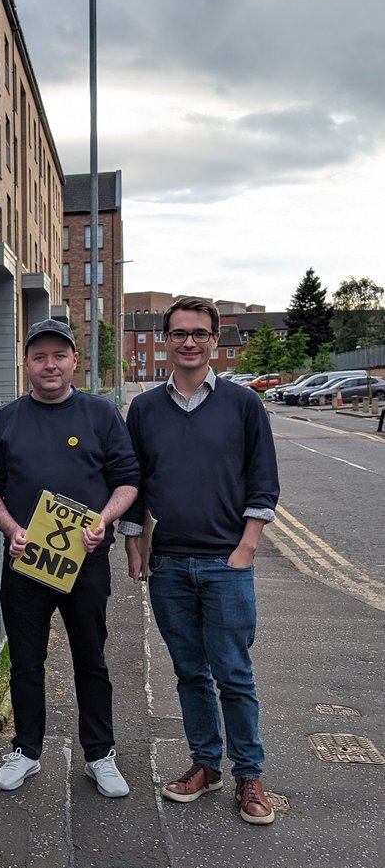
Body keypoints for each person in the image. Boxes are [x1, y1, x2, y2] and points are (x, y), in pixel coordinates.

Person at [121, 296, 278, 825]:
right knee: (190, 672)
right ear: (166, 339)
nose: (189, 341)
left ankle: (250, 775)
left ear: (215, 341)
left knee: (233, 674)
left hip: (225, 564)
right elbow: (135, 482)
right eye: (179, 332)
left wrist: (247, 547)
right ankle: (205, 764)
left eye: (200, 333)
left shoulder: (243, 405)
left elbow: (262, 479)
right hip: (167, 565)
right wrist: (133, 543)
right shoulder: (144, 409)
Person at [0, 320, 139, 799]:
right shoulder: (5, 420)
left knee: (91, 659)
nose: (50, 364)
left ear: (75, 362)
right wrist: (12, 529)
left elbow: (127, 480)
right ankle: (26, 751)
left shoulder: (102, 414)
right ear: (27, 364)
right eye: (40, 356)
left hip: (84, 563)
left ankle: (99, 755)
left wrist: (103, 521)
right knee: (26, 661)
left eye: (59, 356)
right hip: (27, 561)